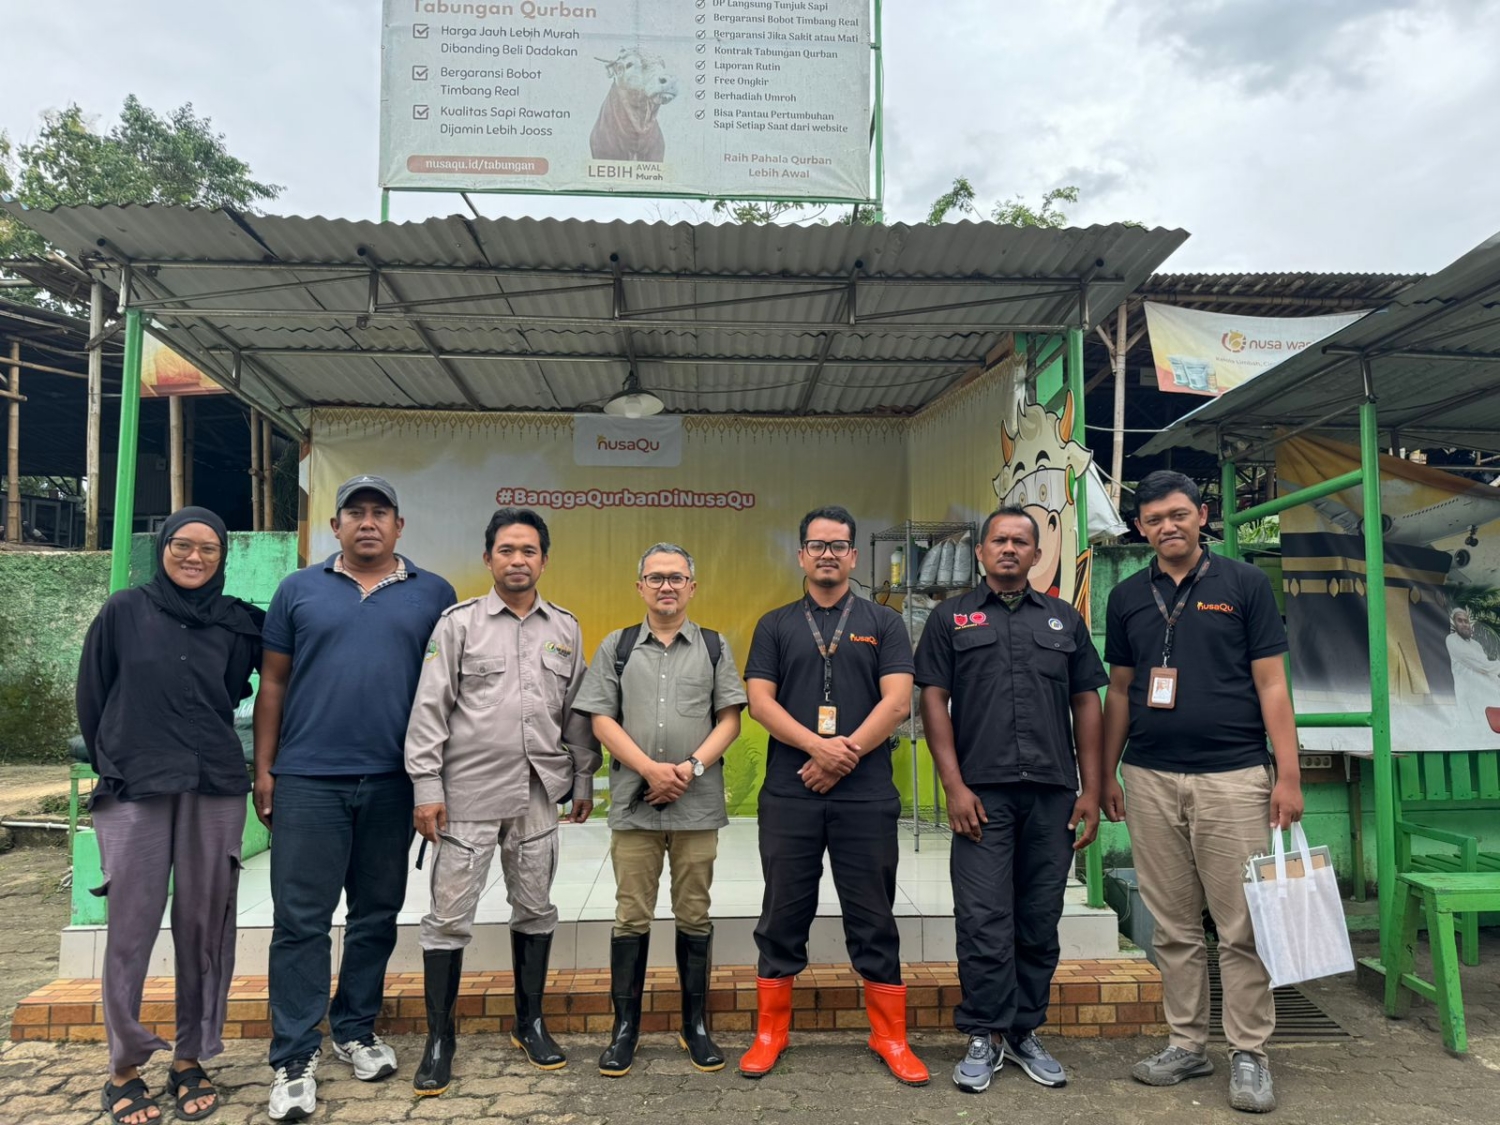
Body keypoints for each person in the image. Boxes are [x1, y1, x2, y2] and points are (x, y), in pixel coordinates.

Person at [254, 475, 456, 1122]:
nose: (368, 522)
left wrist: (433, 781)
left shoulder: (434, 594)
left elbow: (446, 691)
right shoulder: (298, 590)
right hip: (308, 778)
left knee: (375, 913)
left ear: (399, 526)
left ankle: (354, 1028)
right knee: (300, 921)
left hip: (394, 781)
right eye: (355, 512)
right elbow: (273, 684)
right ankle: (293, 1055)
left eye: (380, 513)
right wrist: (265, 769)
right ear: (335, 525)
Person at [1101, 470, 1302, 1115]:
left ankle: (1250, 1052)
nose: (1168, 526)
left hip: (1234, 777)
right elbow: (1121, 692)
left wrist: (1288, 774)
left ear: (1202, 515)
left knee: (1241, 924)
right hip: (1150, 777)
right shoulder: (1127, 596)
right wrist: (1105, 773)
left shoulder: (1244, 584)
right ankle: (1187, 1044)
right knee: (1174, 926)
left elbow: (1272, 683)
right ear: (1141, 529)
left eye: (1179, 514)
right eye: (1155, 519)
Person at [78, 507, 265, 1125]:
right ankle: (123, 1067)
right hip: (135, 783)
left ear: (223, 556)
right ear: (162, 547)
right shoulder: (124, 612)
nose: (195, 557)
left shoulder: (236, 624)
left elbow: (234, 691)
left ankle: (190, 1057)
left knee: (205, 924)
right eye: (183, 545)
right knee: (130, 928)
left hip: (213, 781)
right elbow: (93, 695)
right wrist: (117, 757)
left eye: (209, 548)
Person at [404, 507, 600, 1096]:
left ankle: (529, 1024)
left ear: (544, 560)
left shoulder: (565, 628)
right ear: (488, 558)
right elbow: (430, 708)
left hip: (537, 795)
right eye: (507, 550)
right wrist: (426, 787)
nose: (518, 560)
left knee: (535, 908)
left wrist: (583, 779)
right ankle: (440, 1040)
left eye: (529, 551)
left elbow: (577, 714)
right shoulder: (458, 624)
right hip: (468, 795)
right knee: (448, 919)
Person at [915, 507, 1107, 1093]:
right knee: (982, 918)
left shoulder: (1064, 619)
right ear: (980, 552)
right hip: (982, 795)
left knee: (1039, 916)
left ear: (1036, 554)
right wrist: (953, 787)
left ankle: (1023, 1031)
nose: (1008, 548)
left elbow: (1086, 702)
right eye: (998, 540)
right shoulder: (951, 618)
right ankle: (983, 1031)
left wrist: (1092, 788)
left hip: (1052, 794)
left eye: (1020, 541)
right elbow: (933, 702)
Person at [739, 505, 929, 1086]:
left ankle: (890, 1037)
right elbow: (760, 703)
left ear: (852, 555)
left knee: (873, 912)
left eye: (838, 545)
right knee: (782, 911)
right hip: (791, 790)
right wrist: (818, 749)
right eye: (817, 545)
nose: (827, 554)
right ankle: (770, 1033)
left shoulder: (884, 622)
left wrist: (843, 756)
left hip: (865, 792)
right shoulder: (775, 625)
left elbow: (898, 702)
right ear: (801, 555)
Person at [573, 543, 748, 1077]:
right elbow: (601, 718)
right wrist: (650, 769)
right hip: (636, 806)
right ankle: (624, 1029)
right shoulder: (617, 646)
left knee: (694, 913)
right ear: (640, 587)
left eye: (676, 577)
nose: (666, 586)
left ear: (692, 586)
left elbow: (730, 719)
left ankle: (695, 1026)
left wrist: (688, 769)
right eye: (655, 577)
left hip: (696, 807)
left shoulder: (714, 646)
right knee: (631, 915)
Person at [1445, 608, 1500, 745]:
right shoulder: (1452, 640)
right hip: (1467, 693)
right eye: (1460, 621)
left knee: (1488, 731)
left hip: (1484, 692)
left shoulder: (1476, 645)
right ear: (1454, 623)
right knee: (1471, 731)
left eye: (1466, 621)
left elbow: (1487, 671)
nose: (1464, 624)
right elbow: (1482, 666)